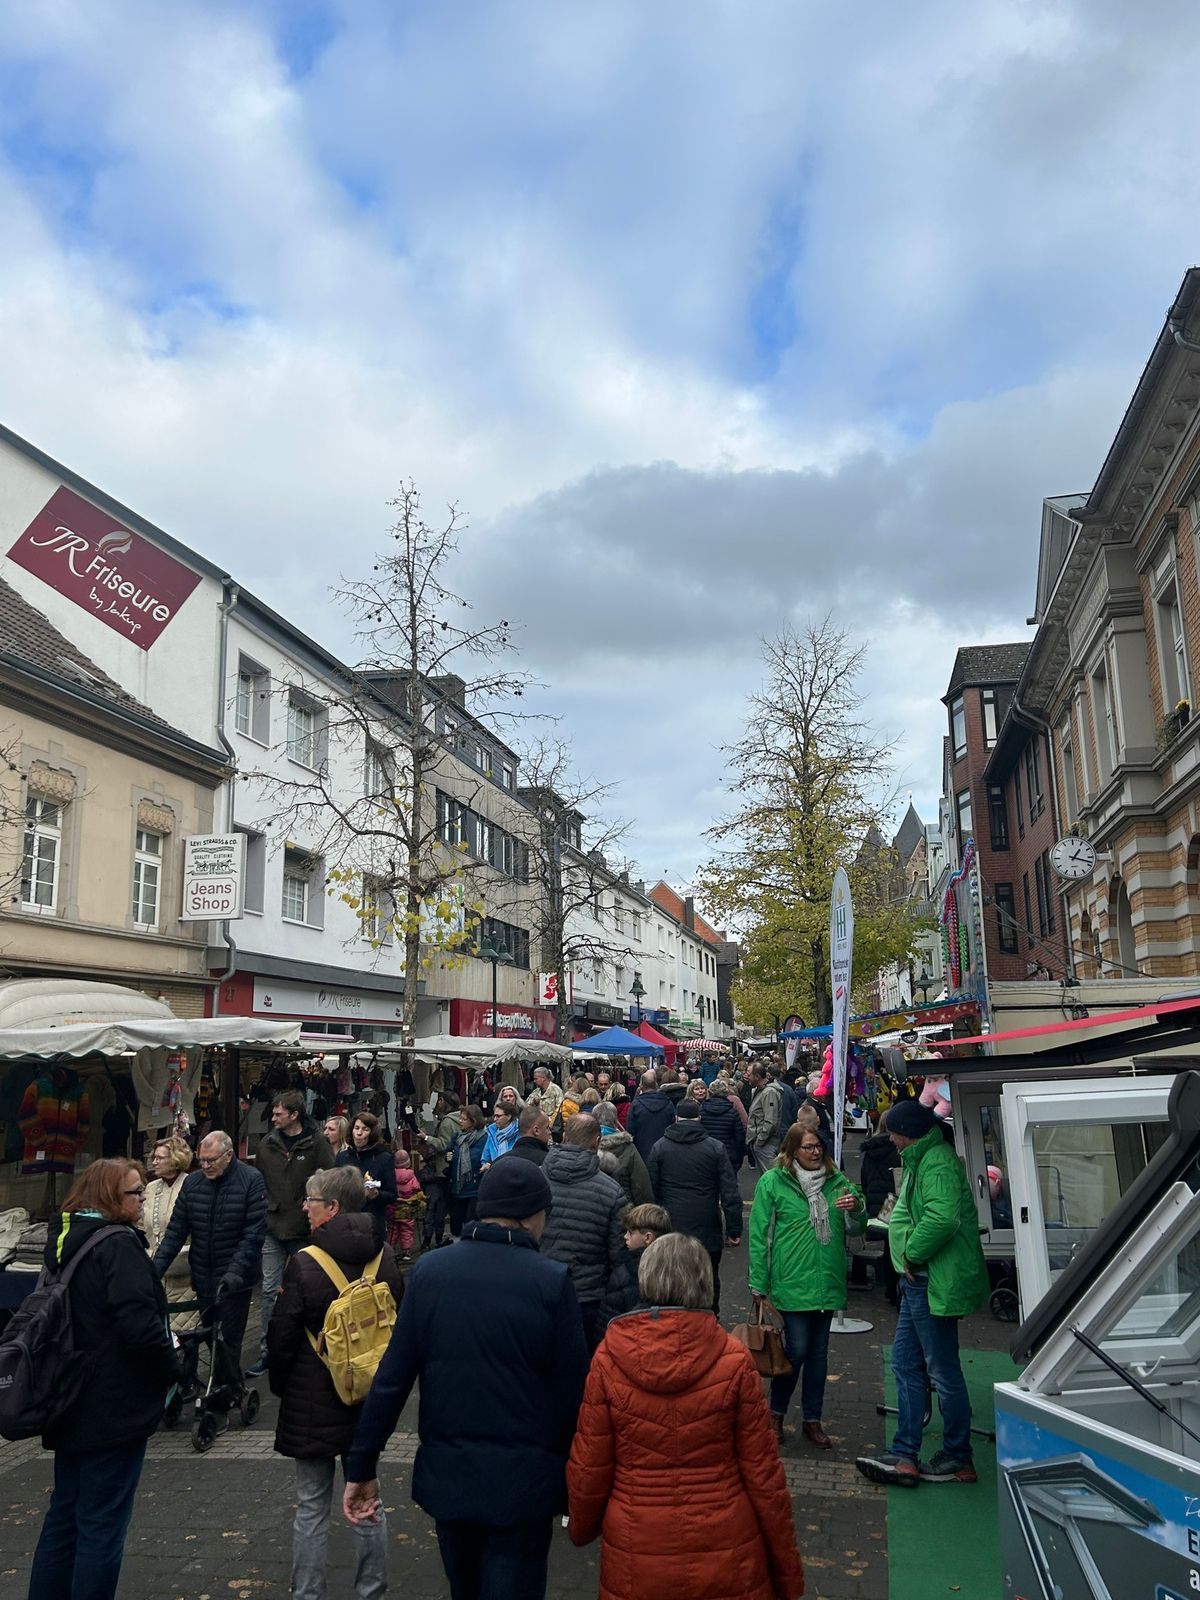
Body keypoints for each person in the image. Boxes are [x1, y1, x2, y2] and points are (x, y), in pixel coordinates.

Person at [342, 1159, 590, 1600]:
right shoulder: (551, 1282)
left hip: (450, 1476)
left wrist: (362, 1465)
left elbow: (392, 1378)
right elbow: (573, 1392)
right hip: (525, 1482)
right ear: (532, 1215)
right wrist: (576, 1474)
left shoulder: (432, 1273)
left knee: (465, 1587)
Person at [567, 1234, 805, 1600]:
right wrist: (787, 1573)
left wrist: (581, 1525)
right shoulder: (734, 1360)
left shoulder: (608, 1359)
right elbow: (764, 1474)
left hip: (637, 1539)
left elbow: (590, 1463)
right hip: (726, 1541)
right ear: (704, 1284)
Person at [29, 1158, 181, 1600]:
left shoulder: (65, 1242)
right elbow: (140, 1329)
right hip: (112, 1408)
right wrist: (173, 1371)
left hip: (68, 1399)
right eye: (135, 1192)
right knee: (101, 1526)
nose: (142, 1198)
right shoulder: (117, 1246)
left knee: (64, 1516)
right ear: (112, 1198)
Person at [268, 1164, 403, 1600]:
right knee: (367, 1501)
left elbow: (283, 1335)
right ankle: (371, 1591)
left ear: (333, 1207)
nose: (304, 1209)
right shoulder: (383, 1256)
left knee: (311, 1506)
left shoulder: (305, 1263)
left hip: (314, 1397)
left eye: (310, 1201)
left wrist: (281, 1384)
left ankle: (307, 1594)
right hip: (370, 1396)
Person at [855, 1100, 990, 1488]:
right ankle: (906, 1453)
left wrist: (911, 1252)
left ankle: (955, 1456)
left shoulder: (935, 1162)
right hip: (924, 1278)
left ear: (907, 1131)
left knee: (939, 1369)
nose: (890, 1139)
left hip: (929, 1278)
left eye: (893, 1132)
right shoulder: (926, 1157)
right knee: (908, 1363)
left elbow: (942, 1218)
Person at [749, 1118, 866, 1450]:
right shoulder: (773, 1182)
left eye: (819, 1147)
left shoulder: (837, 1180)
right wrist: (758, 1282)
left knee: (818, 1355)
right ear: (792, 1149)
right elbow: (759, 1236)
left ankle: (812, 1419)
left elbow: (858, 1230)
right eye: (808, 1147)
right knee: (795, 1350)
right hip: (791, 1280)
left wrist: (857, 1208)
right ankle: (775, 1413)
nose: (816, 1152)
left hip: (827, 1279)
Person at [153, 1130, 266, 1406]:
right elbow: (175, 1233)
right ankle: (230, 1385)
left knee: (228, 1339)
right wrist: (152, 1271)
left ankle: (224, 1395)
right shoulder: (193, 1184)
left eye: (211, 1161)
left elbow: (252, 1236)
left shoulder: (251, 1181)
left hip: (235, 1281)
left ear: (228, 1156)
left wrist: (234, 1275)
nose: (205, 1166)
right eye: (201, 1160)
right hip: (203, 1276)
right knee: (209, 1338)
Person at [250, 1091, 335, 1374]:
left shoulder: (316, 1144)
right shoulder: (267, 1145)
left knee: (308, 1290)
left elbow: (329, 1179)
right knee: (270, 1292)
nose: (273, 1118)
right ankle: (268, 1351)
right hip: (273, 1226)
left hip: (304, 1227)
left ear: (294, 1115)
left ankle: (311, 1347)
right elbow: (259, 1180)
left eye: (278, 1114)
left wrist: (312, 1203)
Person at [647, 1100, 742, 1317]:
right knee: (708, 1275)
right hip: (706, 1222)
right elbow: (729, 1191)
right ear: (699, 1118)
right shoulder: (715, 1148)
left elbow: (651, 1189)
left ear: (675, 1119)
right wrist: (734, 1229)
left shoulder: (660, 1147)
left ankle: (675, 1318)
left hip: (672, 1224)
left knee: (671, 1275)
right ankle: (709, 1318)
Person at [540, 1112, 624, 1350]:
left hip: (540, 1290)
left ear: (564, 1136)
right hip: (588, 1297)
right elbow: (618, 1251)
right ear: (597, 1142)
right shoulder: (611, 1191)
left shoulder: (535, 1178)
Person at [598, 1202, 671, 1329]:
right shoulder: (677, 1269)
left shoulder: (623, 1274)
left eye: (631, 1232)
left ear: (647, 1237)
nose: (625, 1237)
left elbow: (608, 1320)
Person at [335, 1112, 397, 1246]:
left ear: (372, 1133)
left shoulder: (384, 1158)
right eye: (356, 1128)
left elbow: (392, 1194)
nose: (359, 1133)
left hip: (372, 1222)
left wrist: (376, 1194)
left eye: (365, 1129)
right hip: (346, 1220)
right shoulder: (342, 1158)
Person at [417, 1090, 460, 1248]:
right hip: (455, 1167)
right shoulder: (459, 1118)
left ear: (443, 1101)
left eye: (438, 1101)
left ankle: (434, 1237)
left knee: (439, 1205)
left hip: (443, 1168)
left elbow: (443, 1144)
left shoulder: (447, 1122)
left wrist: (427, 1138)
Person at [595, 1101, 654, 1207]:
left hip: (593, 1208)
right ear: (615, 1120)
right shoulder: (628, 1148)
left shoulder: (587, 1146)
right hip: (623, 1207)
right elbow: (641, 1184)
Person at [448, 1104, 488, 1237]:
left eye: (464, 1119)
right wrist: (450, 1157)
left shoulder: (483, 1138)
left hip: (474, 1188)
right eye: (460, 1118)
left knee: (471, 1223)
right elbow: (450, 1151)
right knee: (456, 1224)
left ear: (473, 1121)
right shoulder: (457, 1137)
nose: (460, 1121)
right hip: (457, 1187)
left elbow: (481, 1158)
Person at [385, 1144, 426, 1262]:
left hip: (394, 1205)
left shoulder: (391, 1175)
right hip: (408, 1207)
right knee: (407, 1229)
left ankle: (390, 1250)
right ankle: (407, 1252)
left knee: (393, 1229)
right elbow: (417, 1188)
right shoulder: (411, 1175)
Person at [625, 1069, 676, 1165]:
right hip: (665, 1149)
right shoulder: (668, 1103)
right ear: (656, 1084)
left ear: (641, 1086)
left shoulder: (636, 1105)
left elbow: (630, 1130)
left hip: (642, 1150)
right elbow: (673, 1125)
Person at [697, 1077, 747, 1172]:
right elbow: (739, 1136)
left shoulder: (701, 1110)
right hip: (728, 1154)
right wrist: (739, 1157)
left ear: (710, 1092)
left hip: (707, 1153)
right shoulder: (732, 1112)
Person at [745, 1063, 784, 1171]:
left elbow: (770, 1121)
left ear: (757, 1076)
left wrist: (759, 1141)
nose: (746, 1076)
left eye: (749, 1074)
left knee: (771, 1178)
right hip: (762, 1143)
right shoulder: (761, 1090)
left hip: (766, 1145)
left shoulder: (769, 1092)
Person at [480, 1099, 520, 1168]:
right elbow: (485, 1157)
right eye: (494, 1116)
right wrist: (486, 1164)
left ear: (509, 1116)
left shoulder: (519, 1132)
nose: (495, 1119)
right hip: (495, 1172)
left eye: (498, 1116)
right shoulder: (492, 1132)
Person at [525, 1066, 563, 1130]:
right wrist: (533, 1102)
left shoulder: (556, 1090)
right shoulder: (536, 1092)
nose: (534, 1081)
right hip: (537, 1125)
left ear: (543, 1078)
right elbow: (525, 1107)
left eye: (536, 1079)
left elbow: (560, 1109)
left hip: (551, 1127)